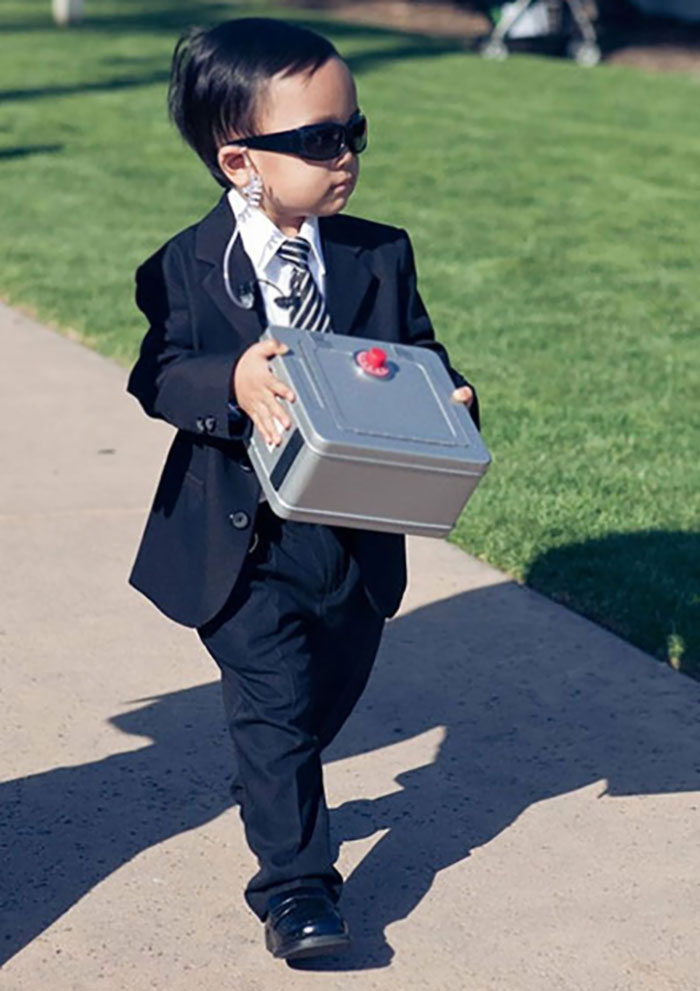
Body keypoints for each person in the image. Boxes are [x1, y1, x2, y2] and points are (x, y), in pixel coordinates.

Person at [126, 16, 479, 962]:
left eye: (355, 131)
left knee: (328, 687)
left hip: (352, 531)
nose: (346, 157)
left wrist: (446, 393)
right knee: (275, 699)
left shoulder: (375, 254)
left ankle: (273, 773)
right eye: (320, 140)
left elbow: (417, 351)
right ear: (239, 160)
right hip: (243, 541)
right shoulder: (186, 267)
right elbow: (158, 372)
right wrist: (232, 381)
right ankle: (297, 889)